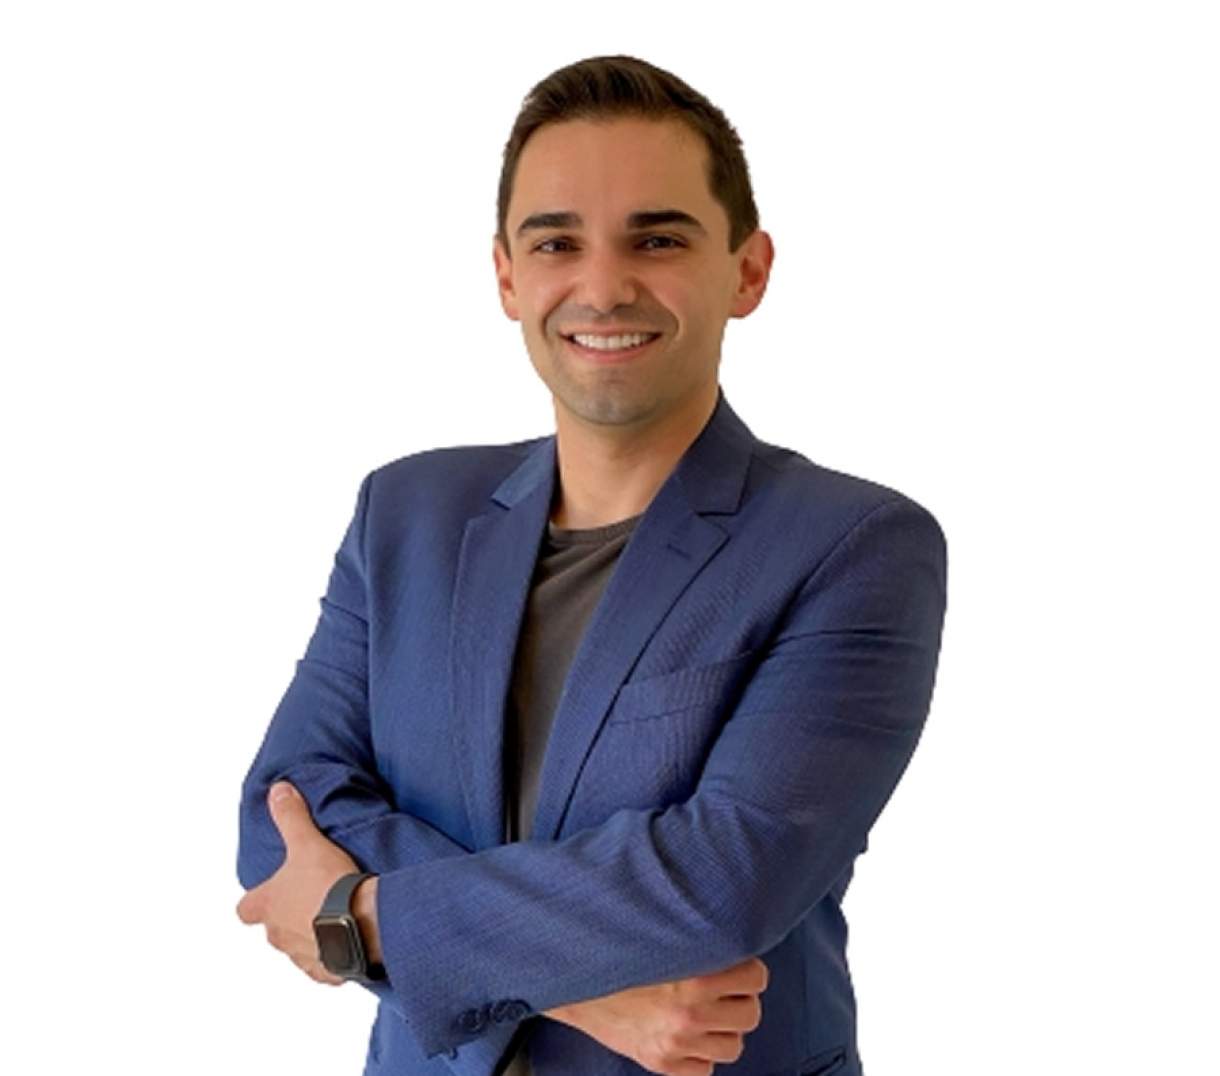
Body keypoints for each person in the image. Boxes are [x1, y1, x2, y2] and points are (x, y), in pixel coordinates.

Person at [235, 54, 948, 1076]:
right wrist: (591, 984)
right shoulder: (406, 512)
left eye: (657, 239)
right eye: (556, 242)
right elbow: (279, 818)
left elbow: (721, 880)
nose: (603, 286)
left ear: (747, 271)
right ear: (506, 276)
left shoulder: (854, 543)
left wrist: (363, 915)